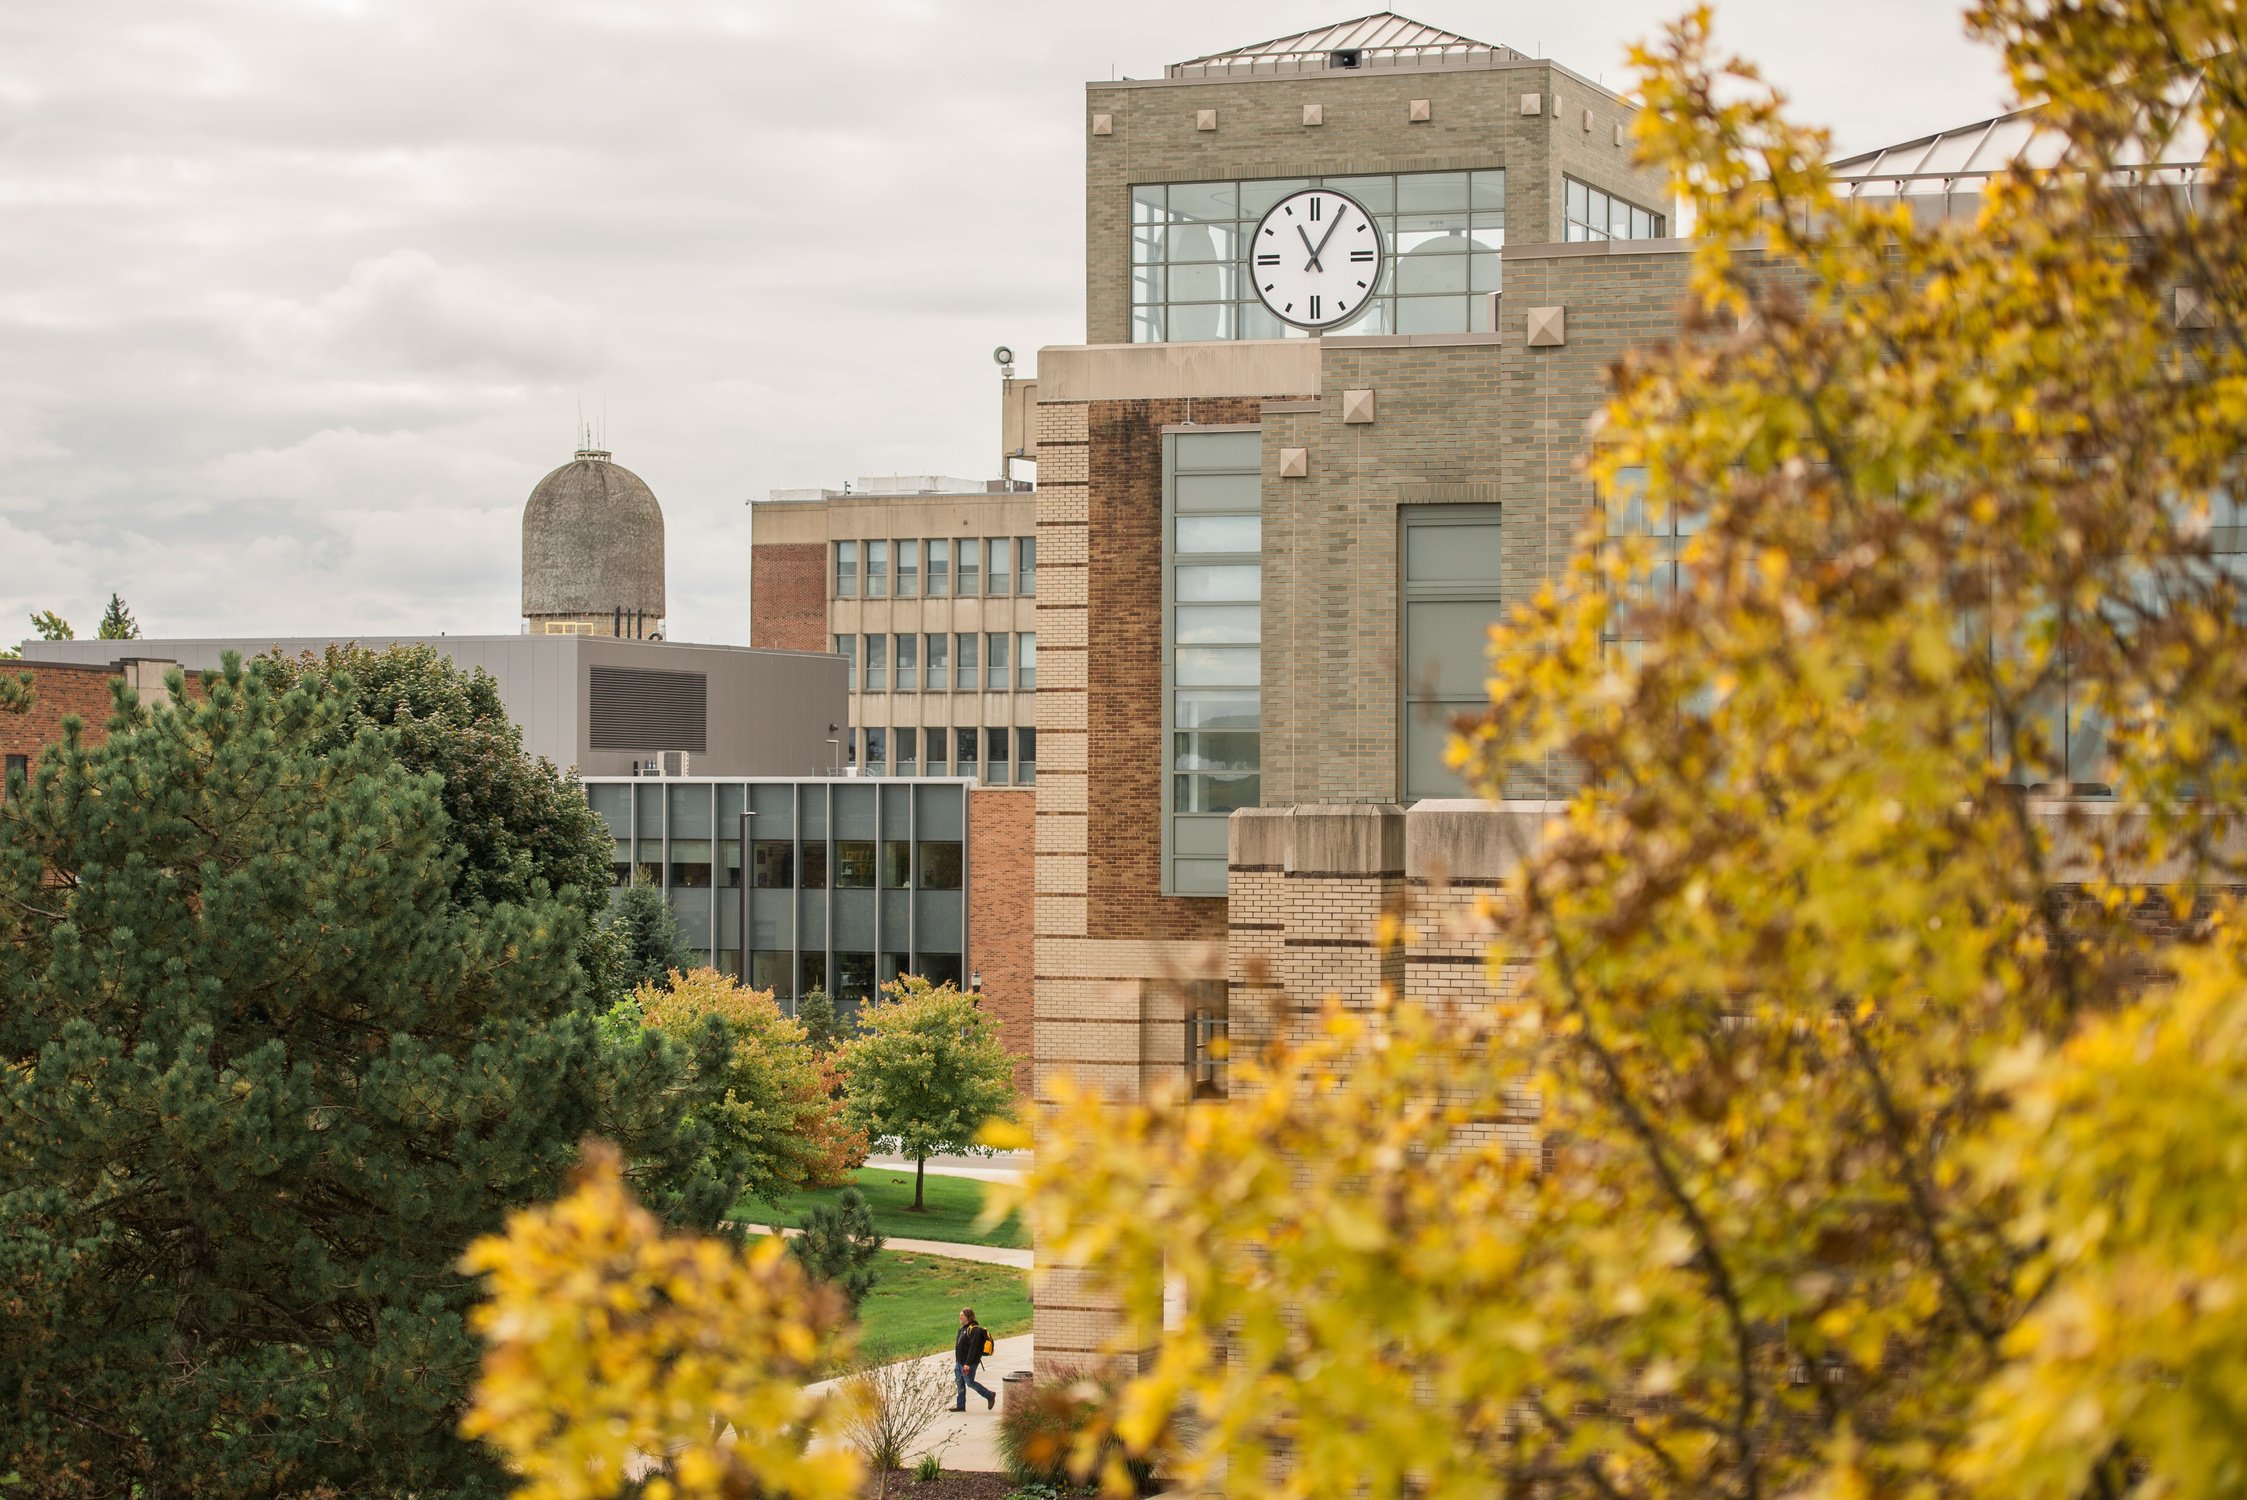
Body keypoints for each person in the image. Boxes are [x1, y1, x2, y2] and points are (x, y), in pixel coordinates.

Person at [952, 1307, 995, 1412]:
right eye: (960, 1314)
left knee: (969, 1382)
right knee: (959, 1382)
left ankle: (989, 1395)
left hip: (969, 1363)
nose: (960, 1316)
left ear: (968, 1316)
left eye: (962, 1315)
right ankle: (960, 1405)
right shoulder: (962, 1328)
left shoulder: (974, 1330)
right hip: (959, 1362)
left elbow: (973, 1349)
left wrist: (967, 1364)